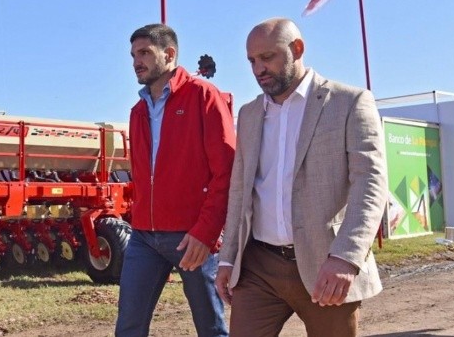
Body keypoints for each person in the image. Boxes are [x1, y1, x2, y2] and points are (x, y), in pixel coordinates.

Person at [216, 17, 388, 336]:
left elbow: (371, 186)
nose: (258, 69)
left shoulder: (349, 102)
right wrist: (227, 259)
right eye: (252, 61)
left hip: (327, 263)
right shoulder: (250, 114)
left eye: (267, 57)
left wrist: (347, 258)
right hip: (258, 268)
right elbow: (239, 192)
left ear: (297, 49)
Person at [116, 23, 236, 337]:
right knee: (128, 327)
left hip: (192, 237)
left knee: (211, 328)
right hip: (144, 236)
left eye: (144, 53)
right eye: (133, 55)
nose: (136, 62)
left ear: (169, 54)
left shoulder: (203, 96)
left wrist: (207, 232)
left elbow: (227, 170)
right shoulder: (138, 111)